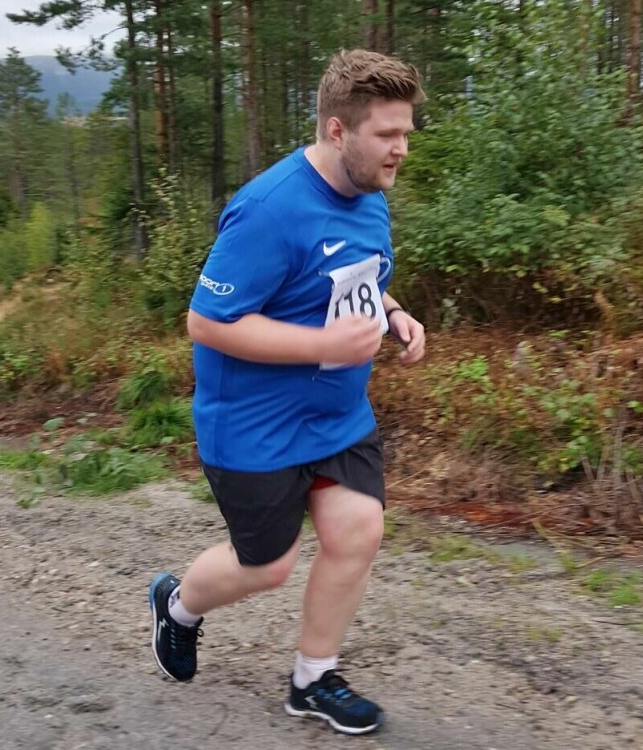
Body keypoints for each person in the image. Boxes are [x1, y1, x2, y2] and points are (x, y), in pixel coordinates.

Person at [148, 49, 427, 736]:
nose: (401, 150)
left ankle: (312, 679)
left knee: (358, 529)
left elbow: (354, 275)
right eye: (387, 135)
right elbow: (207, 321)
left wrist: (391, 313)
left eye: (407, 134)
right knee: (266, 567)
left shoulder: (370, 196)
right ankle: (179, 605)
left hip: (335, 414)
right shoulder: (268, 210)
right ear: (338, 130)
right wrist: (324, 347)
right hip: (253, 424)